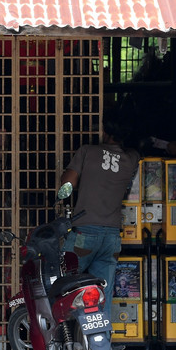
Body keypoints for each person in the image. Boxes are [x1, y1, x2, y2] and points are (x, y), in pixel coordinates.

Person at [56, 118, 140, 322]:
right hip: (111, 237)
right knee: (103, 293)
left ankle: (62, 341)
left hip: (84, 232)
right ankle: (100, 347)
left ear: (105, 132)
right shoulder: (132, 158)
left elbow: (67, 183)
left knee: (64, 286)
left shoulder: (87, 151)